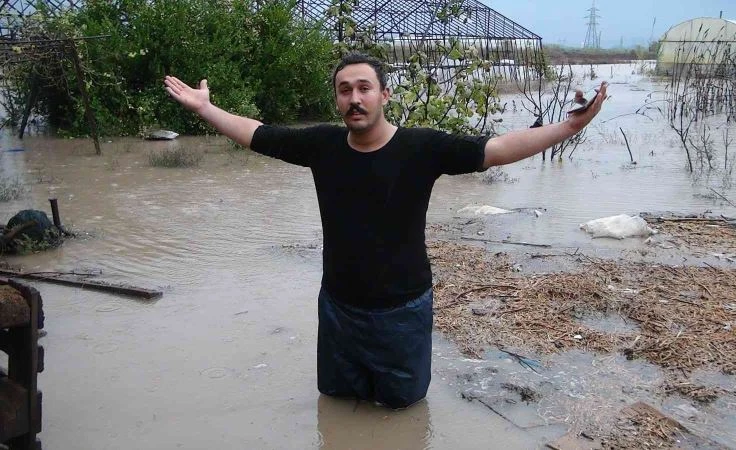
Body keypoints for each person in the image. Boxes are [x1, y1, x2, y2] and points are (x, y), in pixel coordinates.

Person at [164, 51, 607, 410]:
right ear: (337, 100)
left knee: (402, 407)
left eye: (363, 88)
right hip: (338, 305)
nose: (354, 99)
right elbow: (258, 134)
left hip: (403, 309)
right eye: (344, 91)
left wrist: (569, 125)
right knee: (336, 402)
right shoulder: (322, 145)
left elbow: (497, 148)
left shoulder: (422, 148)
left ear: (384, 95)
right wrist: (207, 109)